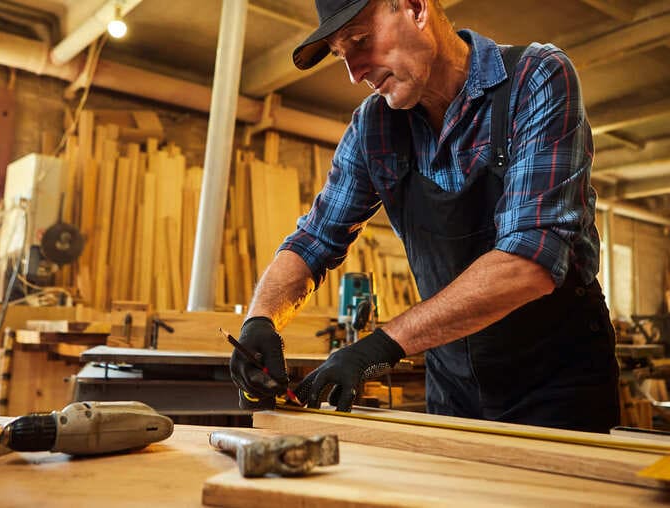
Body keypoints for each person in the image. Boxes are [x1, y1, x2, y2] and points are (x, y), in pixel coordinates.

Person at [229, 0, 620, 433]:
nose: (355, 73)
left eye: (360, 41)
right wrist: (261, 320)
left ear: (416, 8)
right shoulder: (372, 128)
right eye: (343, 56)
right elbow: (314, 241)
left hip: (556, 384)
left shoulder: (534, 78)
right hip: (454, 387)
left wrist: (379, 346)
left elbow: (530, 261)